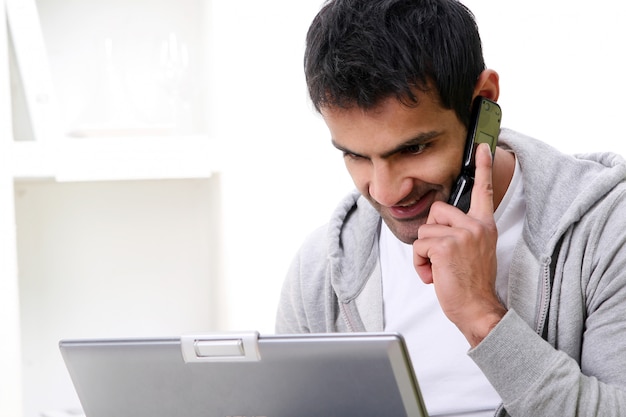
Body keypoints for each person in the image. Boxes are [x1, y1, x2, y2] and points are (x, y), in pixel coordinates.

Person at [275, 0, 626, 416]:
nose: (386, 193)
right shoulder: (323, 272)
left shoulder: (607, 232)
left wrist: (480, 314)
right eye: (356, 156)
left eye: (414, 148)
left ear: (484, 102)